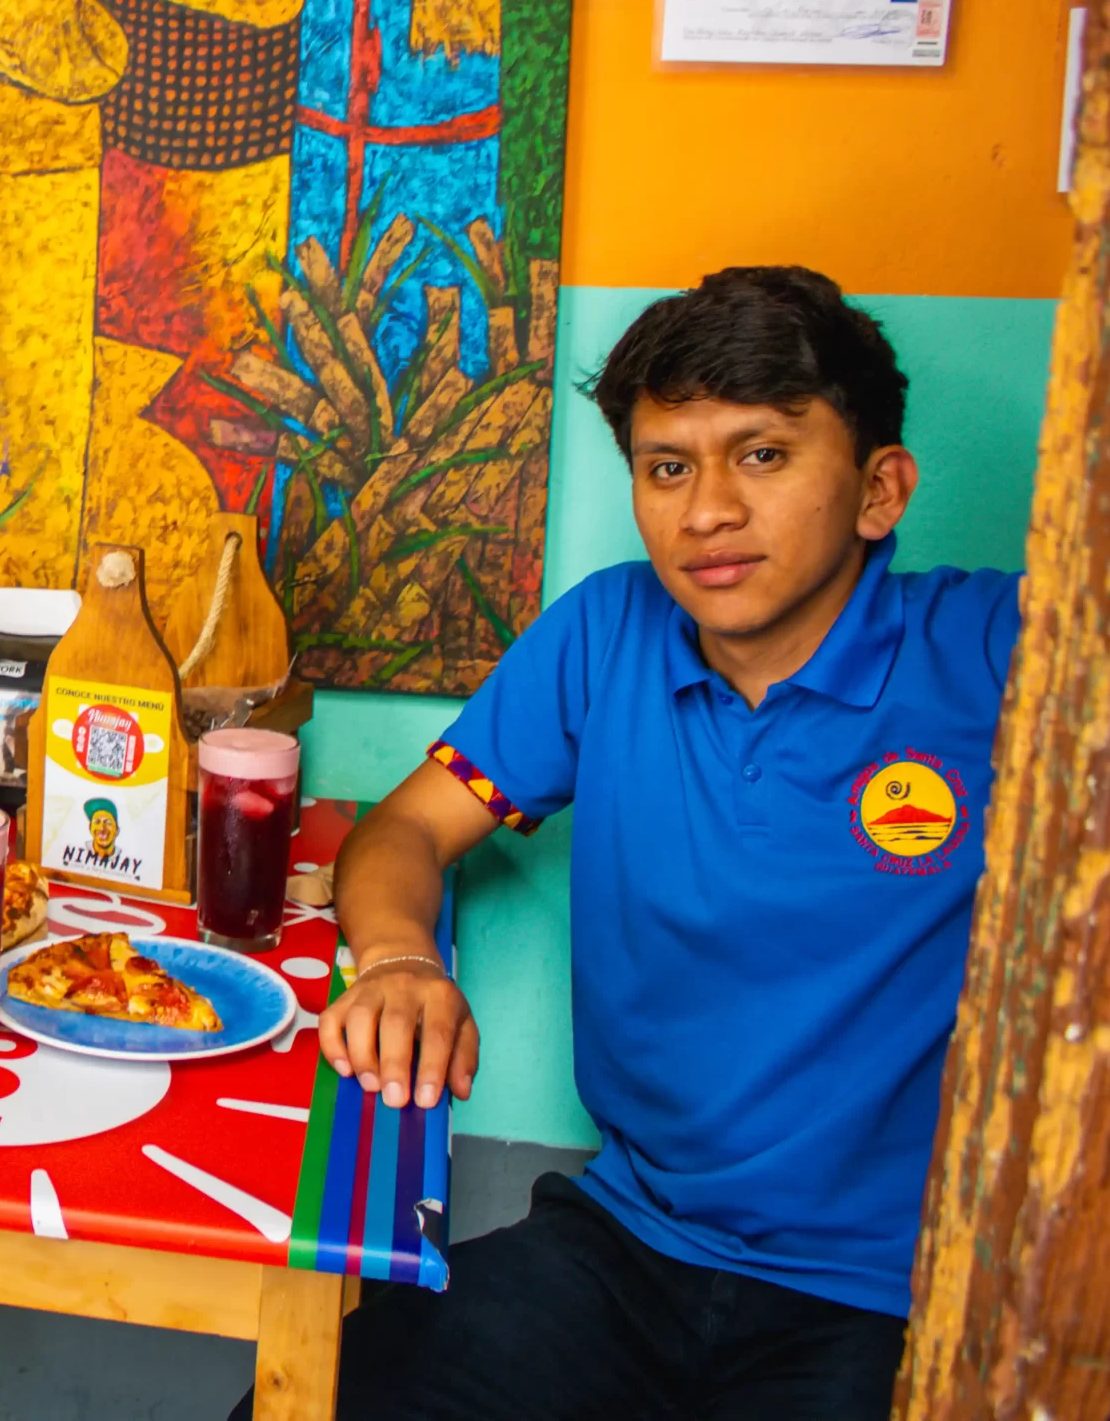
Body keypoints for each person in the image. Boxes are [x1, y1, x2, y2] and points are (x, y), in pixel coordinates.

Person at [227, 267, 1019, 1420]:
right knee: (305, 1401)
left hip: (891, 1297)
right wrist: (398, 957)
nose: (706, 512)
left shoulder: (995, 649)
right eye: (667, 467)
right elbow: (403, 828)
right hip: (628, 1241)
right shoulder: (607, 632)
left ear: (878, 489)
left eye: (762, 454)